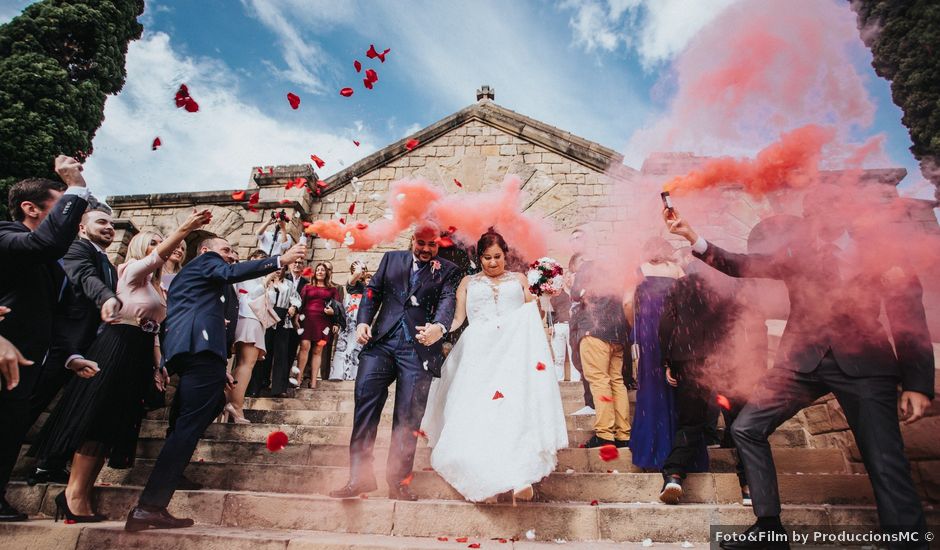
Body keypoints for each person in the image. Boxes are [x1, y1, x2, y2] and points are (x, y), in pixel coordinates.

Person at [664, 188, 934, 550]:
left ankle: (906, 542)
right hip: (800, 363)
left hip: (866, 366)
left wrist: (918, 382)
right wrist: (691, 236)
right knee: (746, 427)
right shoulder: (799, 253)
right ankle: (769, 528)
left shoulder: (878, 253)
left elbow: (908, 316)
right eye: (814, 211)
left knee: (883, 458)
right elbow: (741, 264)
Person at [31, 211, 212, 522]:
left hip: (139, 350)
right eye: (154, 242)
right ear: (141, 247)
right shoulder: (129, 271)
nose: (161, 246)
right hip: (116, 345)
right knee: (97, 418)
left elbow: (154, 330)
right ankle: (74, 494)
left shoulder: (157, 288)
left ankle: (81, 492)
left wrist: (159, 365)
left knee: (113, 422)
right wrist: (185, 229)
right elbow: (157, 257)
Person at [125, 236, 305, 531]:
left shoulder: (200, 278)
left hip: (196, 351)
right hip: (201, 350)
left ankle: (173, 470)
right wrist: (279, 261)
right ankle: (150, 505)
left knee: (200, 411)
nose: (232, 255)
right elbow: (231, 274)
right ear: (206, 251)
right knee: (190, 424)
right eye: (227, 250)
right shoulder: (208, 263)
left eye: (234, 250)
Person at [421, 231, 568, 503]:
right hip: (479, 352)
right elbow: (457, 319)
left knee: (513, 409)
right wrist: (437, 330)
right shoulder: (467, 282)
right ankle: (481, 476)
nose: (492, 263)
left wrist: (543, 297)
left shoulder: (520, 279)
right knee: (479, 412)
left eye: (497, 257)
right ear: (479, 258)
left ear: (506, 255)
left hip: (514, 352)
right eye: (486, 258)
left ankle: (520, 475)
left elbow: (534, 314)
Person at [329, 224, 460, 501]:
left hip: (419, 349)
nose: (426, 249)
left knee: (408, 416)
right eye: (421, 243)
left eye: (432, 245)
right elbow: (372, 292)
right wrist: (363, 321)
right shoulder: (391, 259)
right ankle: (359, 476)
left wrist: (439, 327)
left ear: (439, 245)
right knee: (365, 399)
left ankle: (398, 481)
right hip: (381, 344)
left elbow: (448, 301)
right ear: (412, 240)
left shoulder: (448, 270)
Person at [0, 156, 91, 522]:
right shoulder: (7, 235)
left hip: (27, 363)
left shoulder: (50, 265)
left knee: (9, 429)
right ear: (31, 208)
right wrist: (77, 187)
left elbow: (52, 314)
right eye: (59, 202)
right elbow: (47, 243)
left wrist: (69, 355)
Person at [27, 208, 119, 486]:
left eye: (112, 224)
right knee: (31, 406)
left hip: (90, 347)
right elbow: (82, 276)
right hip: (62, 344)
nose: (109, 227)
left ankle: (50, 464)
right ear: (81, 227)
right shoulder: (77, 249)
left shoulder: (110, 265)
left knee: (73, 409)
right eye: (101, 222)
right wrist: (106, 297)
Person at [657, 262, 743, 505]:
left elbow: (666, 325)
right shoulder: (728, 284)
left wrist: (668, 362)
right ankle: (748, 485)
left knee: (690, 422)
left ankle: (673, 476)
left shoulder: (681, 285)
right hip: (728, 358)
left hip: (690, 358)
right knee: (739, 422)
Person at [626, 237, 686, 468]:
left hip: (650, 335)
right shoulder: (678, 270)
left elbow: (628, 303)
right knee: (675, 389)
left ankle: (652, 448)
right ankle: (677, 447)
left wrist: (636, 329)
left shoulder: (639, 270)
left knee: (652, 388)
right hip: (675, 334)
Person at [571, 250, 631, 448]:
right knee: (617, 382)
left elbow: (575, 294)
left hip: (593, 330)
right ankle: (623, 433)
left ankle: (605, 433)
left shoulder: (587, 268)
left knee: (599, 381)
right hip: (617, 333)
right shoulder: (616, 271)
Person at [226, 250, 271, 422]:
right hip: (248, 318)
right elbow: (249, 297)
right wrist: (265, 281)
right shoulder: (246, 274)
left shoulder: (256, 277)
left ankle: (232, 401)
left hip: (254, 320)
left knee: (245, 364)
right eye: (258, 260)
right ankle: (236, 405)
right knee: (246, 364)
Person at [296, 263, 338, 389]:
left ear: (326, 273)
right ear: (315, 273)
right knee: (304, 346)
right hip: (307, 319)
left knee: (318, 350)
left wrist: (335, 321)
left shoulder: (333, 290)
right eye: (318, 270)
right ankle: (298, 378)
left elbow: (337, 306)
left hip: (324, 322)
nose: (320, 272)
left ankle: (313, 381)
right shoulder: (307, 287)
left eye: (322, 270)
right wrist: (297, 316)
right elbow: (300, 302)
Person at [262, 268, 301, 396]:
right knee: (264, 353)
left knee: (281, 354)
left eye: (281, 269)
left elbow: (296, 299)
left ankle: (279, 389)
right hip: (266, 319)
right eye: (276, 268)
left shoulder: (289, 284)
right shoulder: (266, 282)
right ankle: (260, 384)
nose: (278, 271)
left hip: (283, 319)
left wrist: (293, 307)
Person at [330, 260, 368, 380]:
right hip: (351, 315)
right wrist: (358, 270)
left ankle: (354, 373)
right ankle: (340, 373)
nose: (363, 271)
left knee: (357, 345)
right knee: (347, 343)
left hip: (361, 314)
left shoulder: (365, 285)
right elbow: (354, 278)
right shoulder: (352, 282)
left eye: (364, 269)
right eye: (361, 269)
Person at [566, 253, 594, 415]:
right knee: (579, 361)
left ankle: (591, 402)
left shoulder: (590, 276)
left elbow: (578, 294)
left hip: (586, 323)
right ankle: (589, 401)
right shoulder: (575, 277)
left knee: (586, 363)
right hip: (577, 323)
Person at [284, 258, 309, 386]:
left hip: (297, 321)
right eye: (295, 262)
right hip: (281, 317)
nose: (297, 264)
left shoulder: (307, 283)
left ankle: (287, 379)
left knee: (292, 350)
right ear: (290, 264)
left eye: (300, 263)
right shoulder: (284, 277)